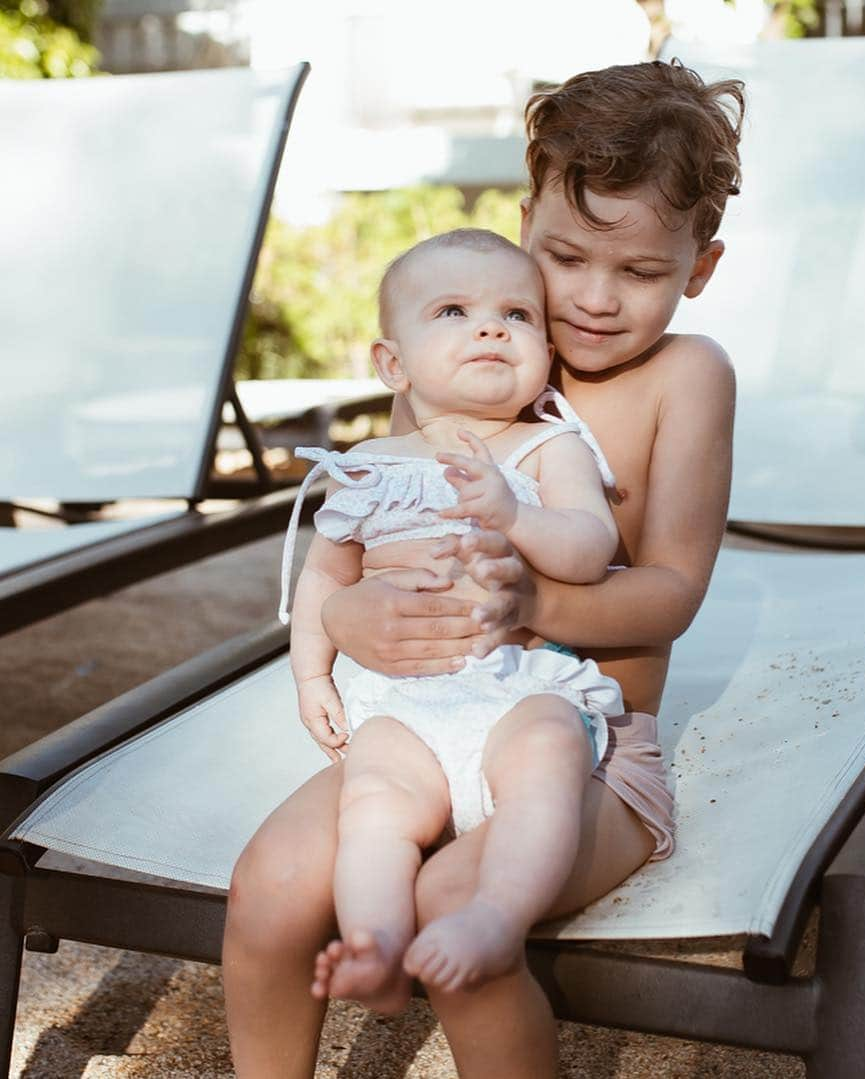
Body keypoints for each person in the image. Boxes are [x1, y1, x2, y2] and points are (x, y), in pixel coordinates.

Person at [224, 59, 744, 1079]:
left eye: (639, 271)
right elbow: (367, 529)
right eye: (563, 257)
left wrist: (535, 599)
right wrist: (353, 616)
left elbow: (673, 592)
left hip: (587, 750)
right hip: (413, 726)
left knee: (455, 904)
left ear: (699, 265)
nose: (594, 299)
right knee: (271, 883)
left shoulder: (686, 376)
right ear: (523, 225)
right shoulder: (459, 363)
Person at [278, 226, 627, 1005]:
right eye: (453, 311)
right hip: (403, 702)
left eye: (517, 313)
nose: (491, 327)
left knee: (547, 759)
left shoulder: (545, 448)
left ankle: (496, 918)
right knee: (373, 804)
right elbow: (322, 580)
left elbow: (589, 549)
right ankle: (375, 946)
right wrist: (311, 674)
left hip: (517, 686)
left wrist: (515, 514)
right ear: (393, 364)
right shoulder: (367, 466)